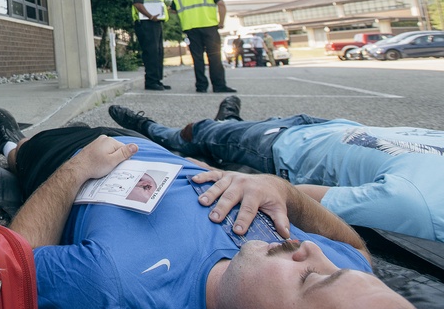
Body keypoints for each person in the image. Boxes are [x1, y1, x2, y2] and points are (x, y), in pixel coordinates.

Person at [0, 107, 414, 309]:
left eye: (310, 278)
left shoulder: (113, 288)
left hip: (69, 156)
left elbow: (13, 266)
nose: (308, 250)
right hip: (156, 150)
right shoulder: (345, 279)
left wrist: (76, 169)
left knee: (23, 154)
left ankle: (10, 141)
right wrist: (282, 190)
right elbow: (357, 251)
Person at [109, 98, 444, 242]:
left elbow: (296, 198)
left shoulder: (416, 204)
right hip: (319, 125)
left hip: (279, 147)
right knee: (224, 131)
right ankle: (230, 122)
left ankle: (148, 126)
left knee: (197, 133)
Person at [171, 0, 236, 93]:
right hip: (209, 26)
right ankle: (218, 85)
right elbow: (221, 4)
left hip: (190, 28)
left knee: (197, 58)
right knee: (214, 57)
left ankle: (201, 86)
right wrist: (221, 22)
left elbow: (172, 10)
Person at [132, 0, 171, 90]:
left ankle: (157, 80)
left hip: (155, 23)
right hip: (146, 24)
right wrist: (150, 16)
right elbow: (137, 4)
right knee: (151, 52)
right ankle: (150, 81)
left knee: (158, 52)